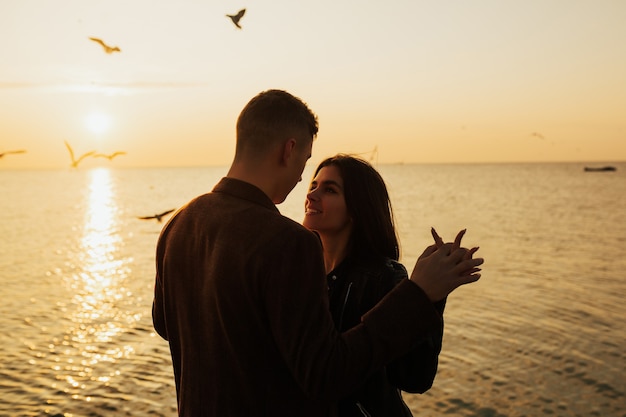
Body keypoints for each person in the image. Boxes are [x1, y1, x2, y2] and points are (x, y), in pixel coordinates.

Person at [152, 89, 483, 416]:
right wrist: (418, 294)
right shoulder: (289, 241)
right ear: (289, 150)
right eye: (306, 163)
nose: (301, 181)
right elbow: (324, 374)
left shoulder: (178, 223)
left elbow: (167, 325)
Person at [303, 154, 462, 416]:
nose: (312, 195)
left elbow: (415, 377)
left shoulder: (382, 276)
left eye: (329, 189)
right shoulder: (302, 272)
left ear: (357, 207)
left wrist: (428, 296)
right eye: (313, 186)